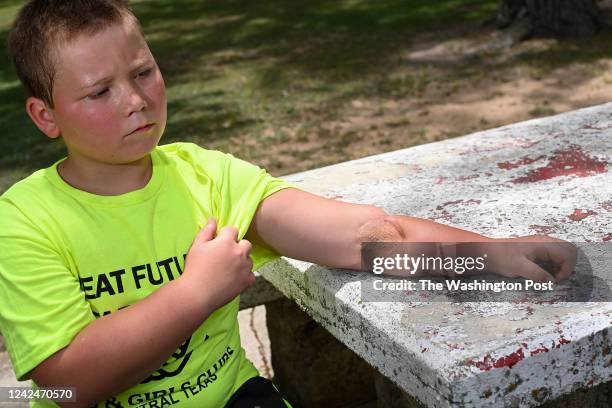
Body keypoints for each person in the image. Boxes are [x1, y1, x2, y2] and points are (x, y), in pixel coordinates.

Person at [0, 1, 576, 407]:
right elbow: (64, 386)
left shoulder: (209, 177)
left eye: (144, 71)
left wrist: (490, 257)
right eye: (100, 91)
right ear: (45, 116)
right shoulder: (23, 222)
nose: (135, 100)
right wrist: (196, 291)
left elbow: (361, 236)